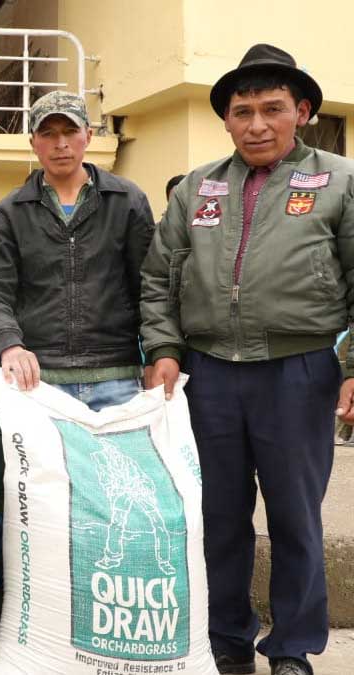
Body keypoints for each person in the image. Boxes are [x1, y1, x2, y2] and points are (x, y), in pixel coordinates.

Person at [142, 44, 354, 675]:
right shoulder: (196, 190)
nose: (257, 124)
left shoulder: (340, 182)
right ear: (227, 121)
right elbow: (159, 279)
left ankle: (291, 648)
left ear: (303, 112)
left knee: (295, 518)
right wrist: (163, 350)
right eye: (242, 112)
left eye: (272, 109)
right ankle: (226, 641)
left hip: (299, 370)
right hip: (207, 375)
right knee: (218, 517)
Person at [0, 90, 155, 411]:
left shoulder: (126, 201)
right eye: (48, 133)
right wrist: (9, 345)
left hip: (116, 378)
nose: (61, 143)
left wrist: (159, 352)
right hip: (38, 383)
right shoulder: (12, 211)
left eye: (70, 131)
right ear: (33, 142)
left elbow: (152, 286)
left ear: (88, 134)